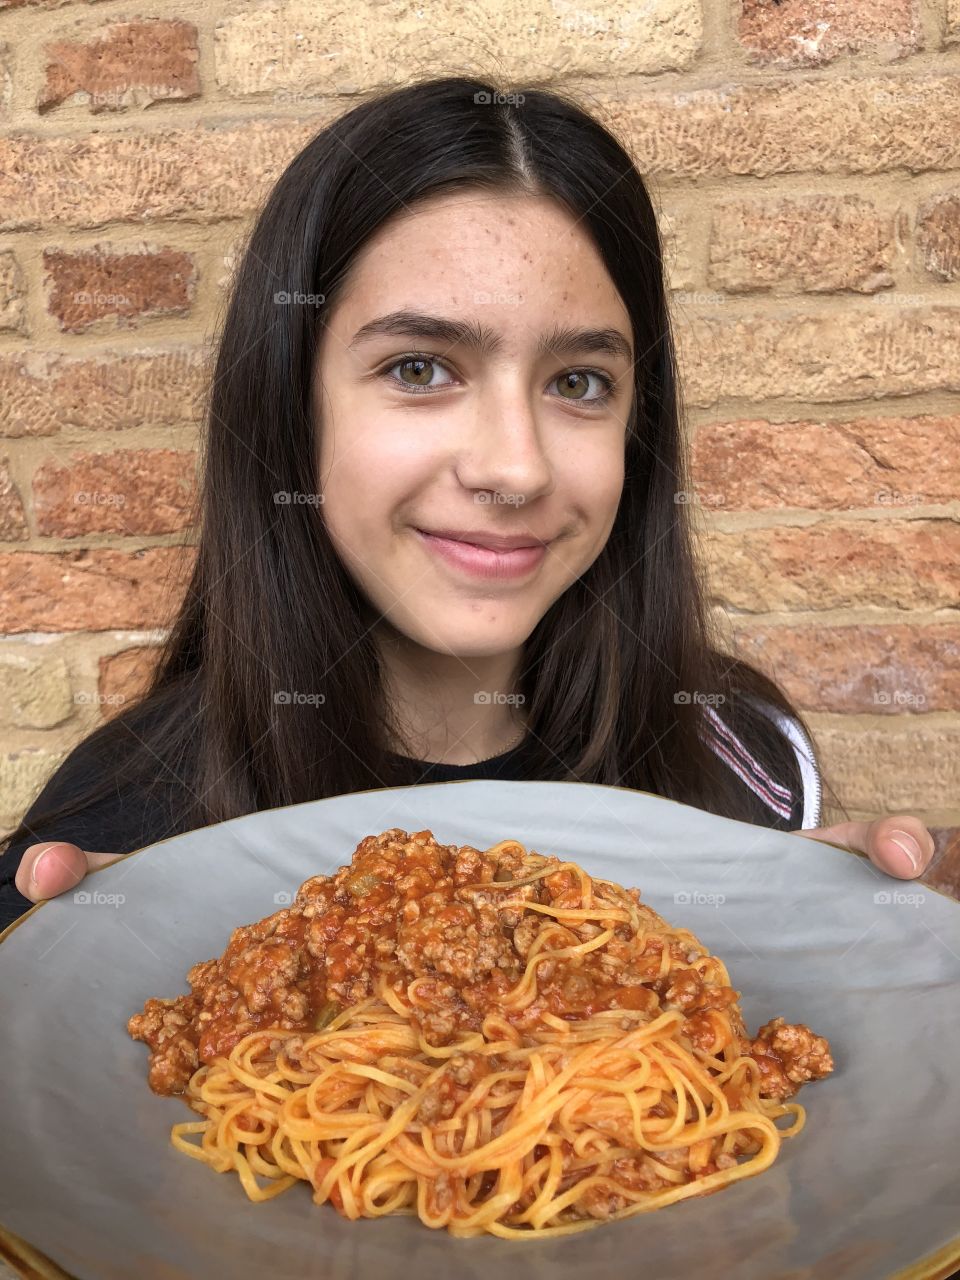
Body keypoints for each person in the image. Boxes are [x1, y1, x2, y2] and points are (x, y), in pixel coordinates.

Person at [0, 75, 935, 932]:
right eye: (420, 368)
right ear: (293, 407)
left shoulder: (744, 755)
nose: (516, 469)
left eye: (578, 382)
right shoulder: (121, 830)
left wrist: (820, 965)